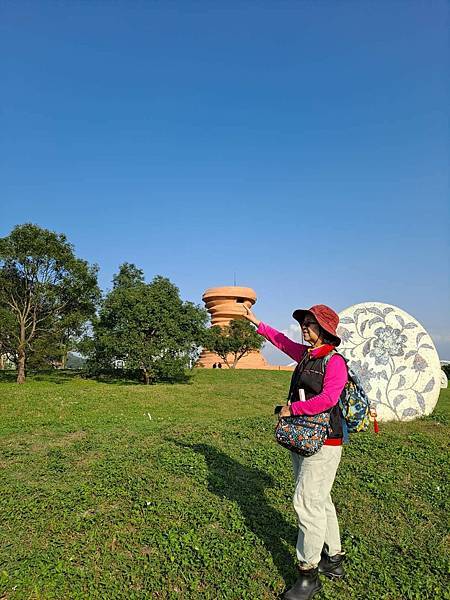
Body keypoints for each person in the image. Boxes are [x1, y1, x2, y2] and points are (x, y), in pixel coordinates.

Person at [243, 304, 348, 600]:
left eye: (311, 323)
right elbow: (280, 340)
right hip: (302, 438)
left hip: (325, 441)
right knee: (320, 499)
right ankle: (335, 558)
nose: (304, 326)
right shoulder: (306, 355)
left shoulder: (334, 361)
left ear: (325, 330)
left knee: (305, 502)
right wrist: (257, 322)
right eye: (304, 322)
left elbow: (329, 399)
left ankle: (308, 574)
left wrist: (292, 410)